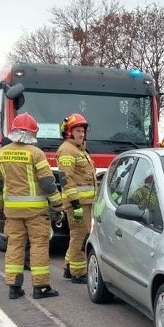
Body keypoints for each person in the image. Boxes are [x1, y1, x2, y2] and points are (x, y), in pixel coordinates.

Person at [0, 113, 64, 300]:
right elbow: (48, 183)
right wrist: (57, 205)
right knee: (39, 246)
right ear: (33, 132)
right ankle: (41, 287)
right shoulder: (36, 153)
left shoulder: (2, 153)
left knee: (14, 246)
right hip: (36, 211)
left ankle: (14, 288)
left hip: (12, 211)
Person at [56, 113, 97, 284]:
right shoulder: (67, 149)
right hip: (77, 203)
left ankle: (68, 267)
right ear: (69, 132)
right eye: (78, 130)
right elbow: (66, 179)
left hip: (85, 202)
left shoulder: (79, 150)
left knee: (77, 235)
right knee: (80, 236)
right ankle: (78, 273)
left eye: (82, 131)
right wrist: (74, 203)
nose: (81, 134)